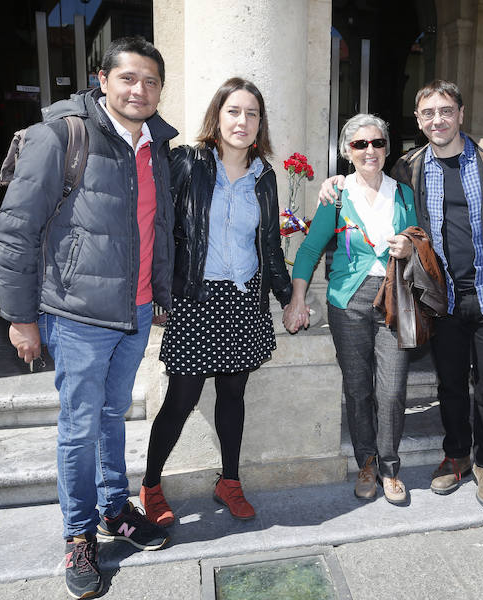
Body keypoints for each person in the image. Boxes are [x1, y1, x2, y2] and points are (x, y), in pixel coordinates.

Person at [0, 36, 175, 599]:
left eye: (150, 81)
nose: (139, 90)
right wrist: (21, 319)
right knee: (79, 427)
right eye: (128, 78)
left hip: (136, 310)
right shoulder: (62, 135)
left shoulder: (158, 145)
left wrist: (160, 295)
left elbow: (158, 228)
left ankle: (114, 507)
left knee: (114, 416)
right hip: (75, 315)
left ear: (160, 90)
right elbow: (15, 232)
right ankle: (78, 534)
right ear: (102, 79)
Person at [319, 81, 483, 510]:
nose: (437, 120)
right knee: (451, 384)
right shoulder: (409, 166)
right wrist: (336, 182)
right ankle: (457, 456)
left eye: (445, 110)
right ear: (418, 122)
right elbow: (371, 178)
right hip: (440, 298)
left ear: (460, 113)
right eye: (427, 114)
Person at [138, 78, 292, 527]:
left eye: (252, 113)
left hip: (243, 300)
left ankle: (229, 480)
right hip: (197, 298)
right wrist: (157, 291)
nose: (242, 121)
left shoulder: (265, 176)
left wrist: (286, 297)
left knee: (233, 394)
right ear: (217, 116)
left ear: (260, 123)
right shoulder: (187, 161)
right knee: (181, 399)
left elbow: (268, 243)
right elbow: (159, 228)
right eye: (234, 111)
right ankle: (150, 483)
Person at [284, 114, 418, 505]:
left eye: (377, 143)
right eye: (360, 145)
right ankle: (367, 463)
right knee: (359, 390)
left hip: (395, 299)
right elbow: (310, 249)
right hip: (348, 301)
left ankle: (391, 467)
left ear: (387, 148)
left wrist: (410, 248)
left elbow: (421, 242)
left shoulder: (405, 194)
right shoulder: (336, 196)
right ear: (346, 152)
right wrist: (297, 299)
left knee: (391, 391)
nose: (369, 151)